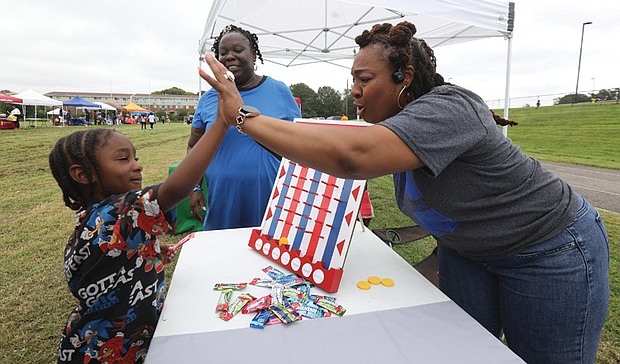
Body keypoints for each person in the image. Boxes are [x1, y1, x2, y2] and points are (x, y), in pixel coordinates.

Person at [199, 21, 610, 364]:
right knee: (466, 352)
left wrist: (240, 112)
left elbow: (352, 157)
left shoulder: (449, 107)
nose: (354, 91)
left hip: (549, 252)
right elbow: (316, 145)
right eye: (353, 81)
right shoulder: (398, 125)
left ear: (405, 77)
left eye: (364, 79)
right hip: (470, 254)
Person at [48, 118, 227, 363]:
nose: (137, 166)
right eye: (124, 159)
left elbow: (104, 266)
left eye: (136, 157)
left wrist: (146, 254)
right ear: (82, 174)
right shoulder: (118, 211)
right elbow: (175, 190)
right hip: (104, 354)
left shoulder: (95, 219)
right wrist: (221, 123)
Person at [187, 24, 301, 231]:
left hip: (269, 194)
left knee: (267, 250)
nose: (229, 56)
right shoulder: (208, 99)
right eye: (223, 52)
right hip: (222, 197)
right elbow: (193, 146)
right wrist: (195, 187)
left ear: (254, 55)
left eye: (238, 50)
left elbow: (300, 145)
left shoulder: (279, 91)